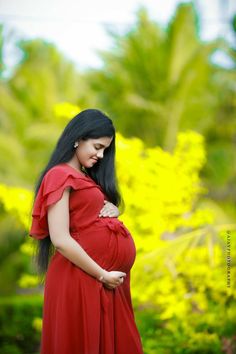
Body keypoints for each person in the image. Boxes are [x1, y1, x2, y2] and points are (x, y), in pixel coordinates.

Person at [29, 108, 144, 354]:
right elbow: (60, 239)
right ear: (78, 138)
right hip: (83, 278)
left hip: (104, 280)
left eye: (105, 150)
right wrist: (102, 274)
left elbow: (85, 216)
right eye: (97, 146)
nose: (101, 155)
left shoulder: (85, 177)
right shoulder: (59, 175)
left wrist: (114, 209)